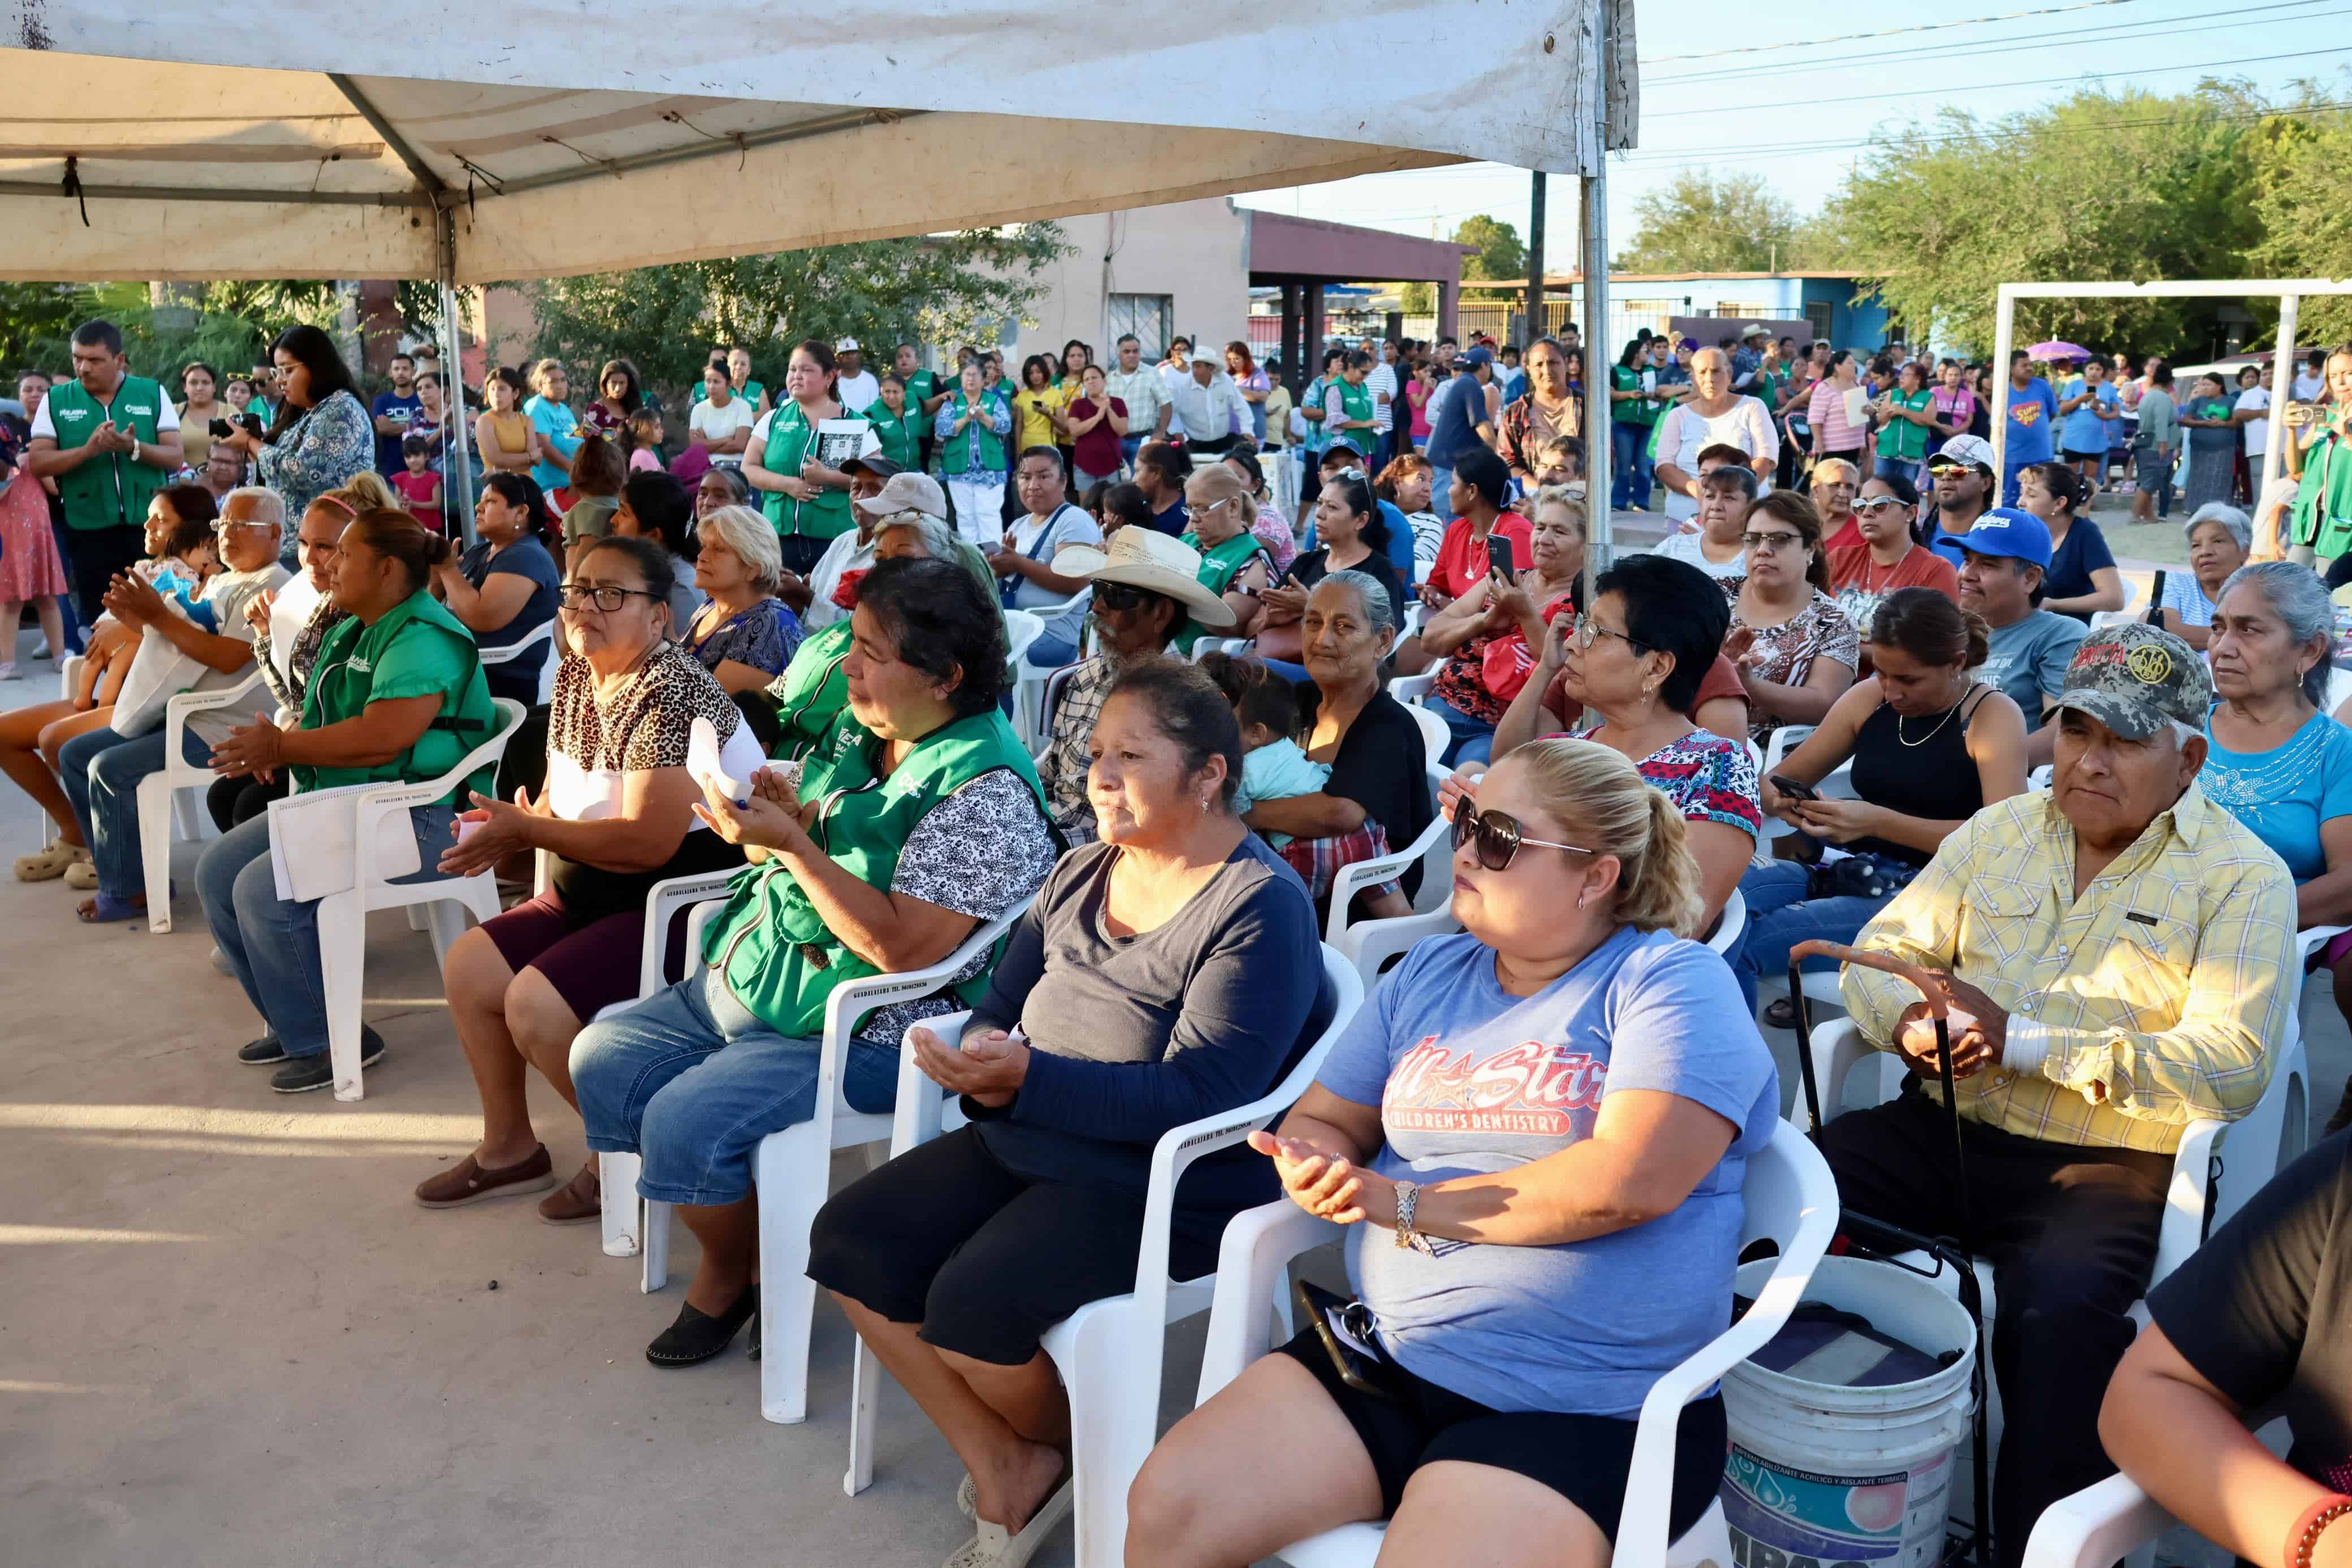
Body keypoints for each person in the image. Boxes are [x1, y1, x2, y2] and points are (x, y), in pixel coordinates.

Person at [1130, 737, 1779, 1568]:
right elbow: (1329, 1117)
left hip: (1587, 1402)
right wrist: (1317, 1162)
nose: (1465, 849)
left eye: (1500, 838)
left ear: (1595, 875)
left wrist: (1400, 1206)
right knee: (1168, 1508)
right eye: (1468, 821)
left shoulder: (1668, 980)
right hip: (1393, 1352)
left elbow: (1632, 1181)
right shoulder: (1431, 970)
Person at [810, 660, 1324, 1562]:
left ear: (1208, 776)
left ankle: (1103, 1456)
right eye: (1095, 753)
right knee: (851, 1239)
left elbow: (1206, 1093)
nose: (1100, 775)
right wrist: (973, 1053)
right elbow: (1002, 1000)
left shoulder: (1260, 907)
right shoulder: (1086, 866)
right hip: (1028, 1129)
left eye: (1131, 754)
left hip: (1160, 1177)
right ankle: (1014, 1461)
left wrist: (1025, 1078)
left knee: (970, 1303)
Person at [1819, 622, 2295, 1567]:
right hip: (1943, 1126)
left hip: (2103, 1161)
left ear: (2188, 756)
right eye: (2076, 731)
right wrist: (1912, 1023)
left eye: (2123, 740)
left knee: (2061, 1321)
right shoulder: (2000, 831)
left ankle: (2041, 1548)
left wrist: (2027, 1040)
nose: (2089, 761)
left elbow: (2233, 1062)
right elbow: (1878, 959)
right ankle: (1780, 1466)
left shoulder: (2243, 876)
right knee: (1759, 1199)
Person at [569, 556, 1058, 1366]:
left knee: (681, 1119)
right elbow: (851, 825)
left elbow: (901, 949)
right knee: (603, 1056)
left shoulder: (986, 790)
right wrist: (797, 808)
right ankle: (747, 1233)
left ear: (946, 677)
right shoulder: (879, 728)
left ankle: (733, 1272)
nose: (848, 663)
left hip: (863, 1026)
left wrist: (793, 842)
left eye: (870, 650)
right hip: (770, 970)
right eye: (851, 641)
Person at [416, 535, 755, 1219]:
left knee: (533, 1005)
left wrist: (529, 831)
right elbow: (562, 798)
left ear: (660, 616)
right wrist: (508, 826)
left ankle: (630, 1156)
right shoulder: (575, 673)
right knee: (471, 966)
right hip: (593, 890)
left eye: (612, 594)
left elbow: (646, 843)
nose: (586, 607)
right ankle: (510, 1146)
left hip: (678, 908)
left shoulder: (674, 689)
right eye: (578, 590)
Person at [198, 510, 502, 1094]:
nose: (329, 565)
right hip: (355, 802)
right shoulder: (357, 624)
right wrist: (277, 748)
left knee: (262, 891)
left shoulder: (422, 634)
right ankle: (298, 1021)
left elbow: (384, 734)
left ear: (387, 568)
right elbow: (325, 715)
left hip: (427, 816)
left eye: (342, 553)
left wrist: (285, 746)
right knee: (218, 871)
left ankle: (333, 1041)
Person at [1738, 587, 2027, 1019]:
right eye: (1882, 673)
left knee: (1751, 944)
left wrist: (1878, 823)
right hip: (1852, 871)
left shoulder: (1990, 716)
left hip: (1935, 897)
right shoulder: (1869, 699)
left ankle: (1722, 1079)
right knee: (1713, 900)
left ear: (1956, 664)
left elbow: (2005, 842)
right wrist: (1785, 802)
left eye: (1908, 679)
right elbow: (1779, 782)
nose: (1892, 691)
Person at [1468, 551, 1761, 932]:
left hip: (1606, 979)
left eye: (1595, 632)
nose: (1573, 643)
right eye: (1581, 626)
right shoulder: (1563, 750)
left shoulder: (1717, 767)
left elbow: (1677, 922)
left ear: (1656, 667)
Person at [2100, 1132, 2352, 1568]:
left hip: (2121, 1162)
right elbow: (2148, 1391)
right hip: (2001, 1157)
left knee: (2063, 1308)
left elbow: (2233, 1074)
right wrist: (2328, 1540)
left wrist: (2037, 1058)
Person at [56, 486, 289, 922]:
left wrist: (158, 617)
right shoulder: (222, 578)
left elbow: (229, 656)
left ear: (275, 533)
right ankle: (126, 872)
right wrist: (140, 617)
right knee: (75, 755)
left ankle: (129, 889)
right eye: (223, 525)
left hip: (224, 722)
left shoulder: (271, 583)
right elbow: (181, 639)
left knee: (108, 768)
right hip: (183, 709)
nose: (226, 534)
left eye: (241, 525)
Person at [2197, 562, 2352, 1135]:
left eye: (2248, 629)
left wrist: (2244, 914)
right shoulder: (2183, 728)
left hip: (2277, 928)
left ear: (2308, 650)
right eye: (2216, 628)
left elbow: (2348, 878)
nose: (2222, 647)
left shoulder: (2335, 751)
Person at [1255, 572, 1434, 922]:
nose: (1322, 639)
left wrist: (1248, 813)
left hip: (1350, 905)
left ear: (1382, 642)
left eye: (1343, 627)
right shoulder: (1299, 703)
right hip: (1289, 876)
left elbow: (1342, 813)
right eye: (1313, 622)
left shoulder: (1387, 724)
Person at [1033, 530, 1231, 841]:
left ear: (1162, 614)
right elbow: (1050, 773)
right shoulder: (1085, 677)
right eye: (1098, 588)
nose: (1098, 606)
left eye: (1117, 596)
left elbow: (1158, 823)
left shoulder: (1187, 704)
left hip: (1103, 853)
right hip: (1046, 835)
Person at [210, 486, 364, 831]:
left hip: (349, 759)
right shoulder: (322, 604)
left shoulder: (362, 611)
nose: (308, 558)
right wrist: (266, 635)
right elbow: (297, 698)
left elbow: (344, 714)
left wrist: (283, 745)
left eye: (323, 546)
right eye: (304, 544)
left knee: (249, 803)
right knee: (223, 794)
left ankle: (289, 884)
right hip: (313, 741)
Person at [23, 320, 183, 622]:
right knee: (103, 618)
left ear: (120, 360)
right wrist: (88, 451)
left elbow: (175, 456)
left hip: (149, 526)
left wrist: (133, 447)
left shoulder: (151, 392)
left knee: (158, 616)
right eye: (77, 358)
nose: (83, 368)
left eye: (94, 360)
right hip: (88, 529)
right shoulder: (56, 400)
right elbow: (38, 463)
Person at [1417, 487, 1586, 766]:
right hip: (1443, 706)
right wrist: (1483, 620)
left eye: (1559, 531)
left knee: (1468, 780)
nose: (1544, 539)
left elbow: (1559, 669)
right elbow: (1432, 639)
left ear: (1585, 545)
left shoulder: (1582, 603)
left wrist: (1526, 613)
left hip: (1502, 730)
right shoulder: (1504, 581)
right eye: (1540, 527)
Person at [1950, 506, 2089, 770]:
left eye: (1988, 564)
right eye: (1967, 560)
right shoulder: (1946, 628)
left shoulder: (2060, 635)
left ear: (2030, 578)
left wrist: (1964, 767)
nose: (1967, 573)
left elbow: (2064, 732)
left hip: (1998, 784)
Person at [1724, 491, 1859, 740]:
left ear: (1811, 549)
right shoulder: (1716, 596)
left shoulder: (1833, 620)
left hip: (1780, 760)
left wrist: (1750, 684)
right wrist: (1711, 666)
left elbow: (1824, 704)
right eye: (1753, 539)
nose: (1763, 550)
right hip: (1701, 746)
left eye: (1780, 539)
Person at [1255, 475, 1404, 677]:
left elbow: (1382, 640)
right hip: (1288, 658)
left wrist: (1312, 607)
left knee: (1253, 672)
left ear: (1361, 520)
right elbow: (1253, 631)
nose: (1319, 514)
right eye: (1319, 504)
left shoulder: (1379, 572)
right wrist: (1272, 620)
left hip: (1343, 673)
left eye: (1332, 508)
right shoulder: (1305, 563)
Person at [437, 473, 561, 711]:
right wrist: (437, 576)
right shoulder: (479, 551)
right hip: (461, 668)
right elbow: (438, 604)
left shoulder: (526, 556)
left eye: (491, 501)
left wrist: (447, 569)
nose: (478, 507)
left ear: (521, 512)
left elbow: (482, 617)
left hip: (494, 679)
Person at [745, 339, 864, 577]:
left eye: (807, 370)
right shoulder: (774, 419)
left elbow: (875, 479)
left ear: (829, 377)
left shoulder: (855, 423)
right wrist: (788, 485)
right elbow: (748, 467)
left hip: (834, 539)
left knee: (826, 608)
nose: (796, 376)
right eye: (793, 369)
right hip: (777, 537)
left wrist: (828, 477)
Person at [986, 445, 1102, 669]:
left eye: (1043, 476)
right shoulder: (1018, 525)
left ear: (1064, 481)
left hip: (1050, 632)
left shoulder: (1073, 520)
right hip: (1011, 624)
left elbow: (1076, 581)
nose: (1033, 486)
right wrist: (1000, 569)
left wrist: (1018, 563)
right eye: (1025, 477)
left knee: (979, 654)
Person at [680, 503, 801, 694]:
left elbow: (710, 705)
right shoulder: (712, 604)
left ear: (753, 567)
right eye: (704, 547)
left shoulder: (770, 625)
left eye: (718, 549)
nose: (702, 556)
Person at [1654, 348, 1779, 527]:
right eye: (1702, 372)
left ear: (1730, 374)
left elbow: (1766, 459)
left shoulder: (1753, 407)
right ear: (1692, 379)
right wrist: (1699, 490)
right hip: (1686, 519)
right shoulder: (1677, 416)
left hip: (1745, 516)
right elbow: (1664, 466)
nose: (1709, 379)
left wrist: (1733, 493)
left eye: (1716, 371)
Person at [1828, 473, 1960, 641]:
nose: (1867, 513)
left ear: (1911, 513)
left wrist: (1845, 650)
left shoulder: (1936, 571)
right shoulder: (1839, 559)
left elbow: (1934, 649)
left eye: (1880, 505)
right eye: (1861, 506)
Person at [1176, 464, 1274, 652]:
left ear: (1233, 506)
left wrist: (1174, 589)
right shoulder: (1187, 541)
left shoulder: (1252, 560)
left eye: (1203, 509)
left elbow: (1229, 622)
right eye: (1190, 509)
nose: (1194, 518)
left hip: (1194, 662)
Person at [0, 415, 68, 681]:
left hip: (39, 535)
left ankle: (60, 656)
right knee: (11, 601)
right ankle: (6, 662)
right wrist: (14, 467)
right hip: (12, 536)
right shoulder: (5, 465)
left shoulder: (34, 459)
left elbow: (53, 489)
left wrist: (38, 465)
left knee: (47, 597)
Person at [2017, 461, 2124, 621]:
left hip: (2067, 631)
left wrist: (2052, 604)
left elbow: (2114, 599)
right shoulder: (2022, 532)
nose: (2020, 502)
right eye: (2021, 493)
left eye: (2031, 495)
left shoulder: (2085, 533)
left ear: (2059, 503)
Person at [609, 468, 703, 635]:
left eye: (624, 513)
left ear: (653, 535)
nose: (613, 520)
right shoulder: (637, 569)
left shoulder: (679, 591)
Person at [934, 359, 1014, 552]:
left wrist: (983, 417)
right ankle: (972, 561)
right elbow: (941, 429)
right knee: (965, 517)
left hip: (990, 469)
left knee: (988, 515)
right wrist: (966, 419)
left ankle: (994, 562)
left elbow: (1006, 425)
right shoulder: (953, 401)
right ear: (961, 379)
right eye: (967, 375)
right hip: (958, 468)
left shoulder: (993, 400)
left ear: (983, 380)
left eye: (975, 375)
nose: (970, 379)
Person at [2152, 503, 2251, 649]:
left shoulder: (2258, 592)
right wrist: (2239, 638)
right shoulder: (2176, 583)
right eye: (2196, 545)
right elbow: (2158, 630)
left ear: (2244, 551)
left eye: (2218, 541)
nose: (2205, 552)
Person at [2286, 347, 2352, 560]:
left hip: (2343, 532)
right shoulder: (2324, 414)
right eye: (2333, 376)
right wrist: (2290, 430)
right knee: (2288, 589)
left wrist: (2347, 435)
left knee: (2332, 591)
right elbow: (2296, 470)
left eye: (2349, 374)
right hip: (2310, 526)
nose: (2340, 382)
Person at [1650, 464, 1758, 589]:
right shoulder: (1672, 547)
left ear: (1751, 506)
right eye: (1710, 497)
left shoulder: (1760, 556)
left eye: (1729, 498)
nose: (1716, 506)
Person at [1494, 337, 1578, 491]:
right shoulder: (1516, 413)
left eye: (1553, 362)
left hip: (1581, 499)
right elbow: (1508, 463)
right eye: (1539, 365)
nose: (1546, 370)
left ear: (1565, 364)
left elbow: (1603, 459)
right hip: (1532, 500)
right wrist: (1541, 491)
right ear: (1528, 369)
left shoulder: (1588, 407)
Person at [1424, 348, 1499, 504]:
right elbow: (1482, 426)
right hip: (1447, 463)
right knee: (1441, 514)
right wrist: (1497, 454)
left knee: (1452, 514)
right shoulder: (1470, 385)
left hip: (1449, 462)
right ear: (1485, 365)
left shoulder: (1464, 382)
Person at [556, 432, 627, 572]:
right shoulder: (619, 507)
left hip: (587, 579)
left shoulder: (588, 509)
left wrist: (573, 581)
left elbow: (587, 546)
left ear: (576, 474)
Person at [1923, 432, 1998, 563]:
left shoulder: (1999, 546)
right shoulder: (1914, 538)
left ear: (1985, 483)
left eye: (1958, 471)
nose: (1946, 477)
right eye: (1938, 470)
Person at [1999, 351, 2062, 505]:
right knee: (2012, 501)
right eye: (2024, 365)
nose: (2029, 369)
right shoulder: (2003, 391)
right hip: (2012, 457)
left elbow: (2052, 414)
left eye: (2031, 365)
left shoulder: (2042, 386)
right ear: (2012, 369)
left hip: (2041, 455)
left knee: (2041, 499)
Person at [1222, 447, 1296, 577]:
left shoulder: (1266, 520)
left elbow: (1242, 565)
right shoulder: (1221, 511)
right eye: (1223, 477)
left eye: (1237, 477)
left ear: (1256, 485)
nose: (1227, 483)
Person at [1374, 452, 1446, 583]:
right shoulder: (1372, 514)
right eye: (1421, 479)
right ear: (1397, 483)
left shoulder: (1431, 522)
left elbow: (1417, 565)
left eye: (1431, 482)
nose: (1428, 489)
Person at [1104, 333, 1171, 470]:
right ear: (1119, 355)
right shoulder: (1109, 379)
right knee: (1117, 486)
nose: (1132, 355)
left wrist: (1161, 432)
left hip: (1142, 441)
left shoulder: (1152, 374)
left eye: (1136, 351)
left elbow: (1166, 404)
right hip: (1116, 442)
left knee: (1140, 485)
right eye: (1127, 352)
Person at [2057, 357, 2121, 496]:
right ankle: (2070, 503)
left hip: (2096, 439)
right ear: (2085, 369)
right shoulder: (2074, 385)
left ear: (2104, 371)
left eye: (2098, 369)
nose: (2094, 372)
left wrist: (2105, 416)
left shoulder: (2109, 388)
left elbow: (2117, 412)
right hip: (2074, 437)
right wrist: (2080, 399)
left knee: (2091, 476)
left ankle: (2086, 503)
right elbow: (2062, 410)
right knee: (2070, 475)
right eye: (2091, 368)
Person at [522, 359, 585, 502]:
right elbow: (544, 447)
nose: (560, 386)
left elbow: (574, 438)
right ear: (540, 385)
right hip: (552, 490)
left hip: (572, 486)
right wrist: (575, 471)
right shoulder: (537, 407)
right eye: (553, 381)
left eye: (563, 380)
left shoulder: (564, 409)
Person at [1802, 349, 1871, 474]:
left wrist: (1870, 410)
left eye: (1854, 363)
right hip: (1831, 448)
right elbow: (1815, 420)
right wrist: (1819, 444)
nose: (1854, 366)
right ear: (1838, 367)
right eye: (1850, 363)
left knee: (1848, 480)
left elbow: (1866, 412)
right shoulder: (1825, 387)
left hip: (1854, 446)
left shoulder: (1855, 385)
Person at [1173, 351, 1250, 456]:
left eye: (1199, 367)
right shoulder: (1183, 386)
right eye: (1194, 366)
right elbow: (1172, 411)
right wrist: (1177, 431)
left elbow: (1241, 407)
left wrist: (1247, 431)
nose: (1194, 371)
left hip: (1223, 441)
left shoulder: (1225, 380)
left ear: (1211, 369)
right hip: (1194, 444)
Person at [473, 366, 541, 478]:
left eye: (502, 389)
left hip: (526, 483)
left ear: (516, 393)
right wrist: (528, 457)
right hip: (499, 485)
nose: (496, 394)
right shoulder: (484, 421)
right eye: (492, 389)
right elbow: (496, 459)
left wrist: (500, 470)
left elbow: (537, 461)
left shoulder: (527, 421)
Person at [687, 361, 757, 468]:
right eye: (708, 381)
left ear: (729, 384)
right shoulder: (698, 409)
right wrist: (726, 440)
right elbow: (695, 446)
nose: (711, 387)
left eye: (716, 382)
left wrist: (706, 443)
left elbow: (740, 445)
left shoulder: (743, 407)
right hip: (705, 465)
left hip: (735, 465)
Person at [369, 352, 422, 479]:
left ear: (413, 372)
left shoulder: (422, 399)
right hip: (388, 469)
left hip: (419, 470)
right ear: (390, 373)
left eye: (405, 369)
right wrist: (414, 427)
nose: (400, 373)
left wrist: (391, 426)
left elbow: (427, 427)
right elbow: (380, 429)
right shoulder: (381, 401)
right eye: (396, 369)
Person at [863, 373, 924, 476]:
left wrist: (942, 397)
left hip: (914, 470)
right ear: (881, 392)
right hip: (886, 474)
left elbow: (927, 408)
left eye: (896, 392)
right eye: (887, 392)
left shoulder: (912, 401)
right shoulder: (872, 415)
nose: (891, 397)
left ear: (904, 393)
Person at [1131, 441, 1191, 537]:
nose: (1133, 480)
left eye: (1137, 471)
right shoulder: (1137, 508)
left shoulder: (1187, 513)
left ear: (1157, 473)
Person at [2234, 362, 2275, 501]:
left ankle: (2286, 523)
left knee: (2286, 491)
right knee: (2261, 490)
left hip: (2285, 451)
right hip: (2259, 450)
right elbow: (2238, 415)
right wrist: (2261, 413)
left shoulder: (2292, 391)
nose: (2269, 377)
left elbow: (2307, 403)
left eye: (2272, 373)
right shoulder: (2250, 394)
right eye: (2265, 374)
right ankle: (2261, 521)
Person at [1809, 456, 1864, 553]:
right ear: (1816, 488)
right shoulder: (1798, 521)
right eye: (1835, 485)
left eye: (1850, 487)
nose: (1843, 494)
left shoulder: (1863, 528)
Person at [580, 359, 643, 441]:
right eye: (614, 382)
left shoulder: (633, 407)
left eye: (622, 383)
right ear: (605, 383)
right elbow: (586, 441)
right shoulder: (595, 411)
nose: (617, 389)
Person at [392, 435, 442, 530]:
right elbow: (396, 502)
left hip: (430, 526)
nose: (412, 460)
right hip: (408, 526)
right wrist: (403, 501)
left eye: (417, 455)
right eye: (408, 456)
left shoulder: (434, 478)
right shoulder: (400, 478)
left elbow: (436, 504)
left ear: (427, 456)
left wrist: (413, 504)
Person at [1227, 341, 1272, 444]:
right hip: (1230, 433)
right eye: (1230, 359)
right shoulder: (1227, 375)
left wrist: (1237, 390)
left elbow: (1262, 397)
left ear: (1246, 358)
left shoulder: (1258, 374)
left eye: (1237, 359)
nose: (1233, 362)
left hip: (1253, 433)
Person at [832, 338, 879, 414]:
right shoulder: (832, 381)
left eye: (853, 353)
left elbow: (874, 410)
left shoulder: (870, 380)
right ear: (838, 358)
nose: (850, 356)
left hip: (865, 424)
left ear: (858, 355)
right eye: (845, 354)